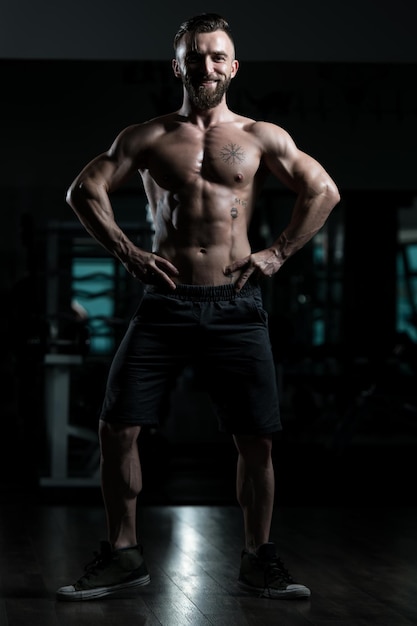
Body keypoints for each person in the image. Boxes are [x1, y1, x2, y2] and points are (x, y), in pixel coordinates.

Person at [56, 13, 340, 602]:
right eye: (195, 55)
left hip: (236, 304)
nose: (205, 66)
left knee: (256, 438)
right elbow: (84, 189)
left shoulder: (262, 136)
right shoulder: (150, 135)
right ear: (177, 65)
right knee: (116, 428)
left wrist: (278, 254)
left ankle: (258, 559)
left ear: (232, 67)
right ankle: (124, 554)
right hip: (164, 303)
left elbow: (323, 190)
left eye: (217, 56)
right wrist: (130, 253)